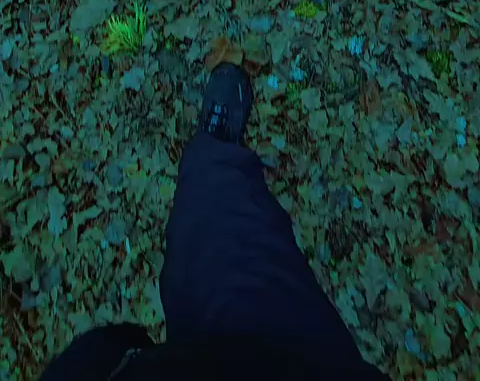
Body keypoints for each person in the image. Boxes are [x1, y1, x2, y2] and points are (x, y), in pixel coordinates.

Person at [40, 63, 386, 379]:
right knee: (216, 214)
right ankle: (215, 151)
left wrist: (128, 349)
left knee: (191, 254)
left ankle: (213, 148)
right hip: (291, 355)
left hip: (176, 359)